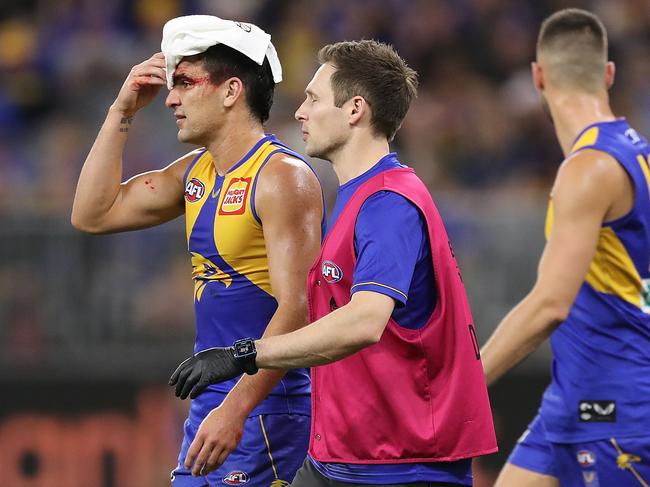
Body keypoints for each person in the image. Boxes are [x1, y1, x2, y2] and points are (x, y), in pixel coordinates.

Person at [169, 39, 497, 487]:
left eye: (313, 98)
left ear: (355, 109)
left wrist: (245, 354)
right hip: (343, 458)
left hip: (402, 466)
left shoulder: (388, 203)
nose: (300, 112)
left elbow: (364, 321)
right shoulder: (357, 197)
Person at [71, 15, 325, 487]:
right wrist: (121, 111)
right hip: (212, 405)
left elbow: (300, 309)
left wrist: (236, 409)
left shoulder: (281, 177)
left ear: (231, 91)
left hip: (266, 409)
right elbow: (92, 214)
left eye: (185, 82)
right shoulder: (196, 172)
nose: (170, 97)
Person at [479, 8, 650, 487]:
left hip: (614, 410)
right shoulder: (638, 154)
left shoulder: (589, 168)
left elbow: (550, 304)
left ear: (537, 76)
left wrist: (466, 383)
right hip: (569, 401)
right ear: (609, 74)